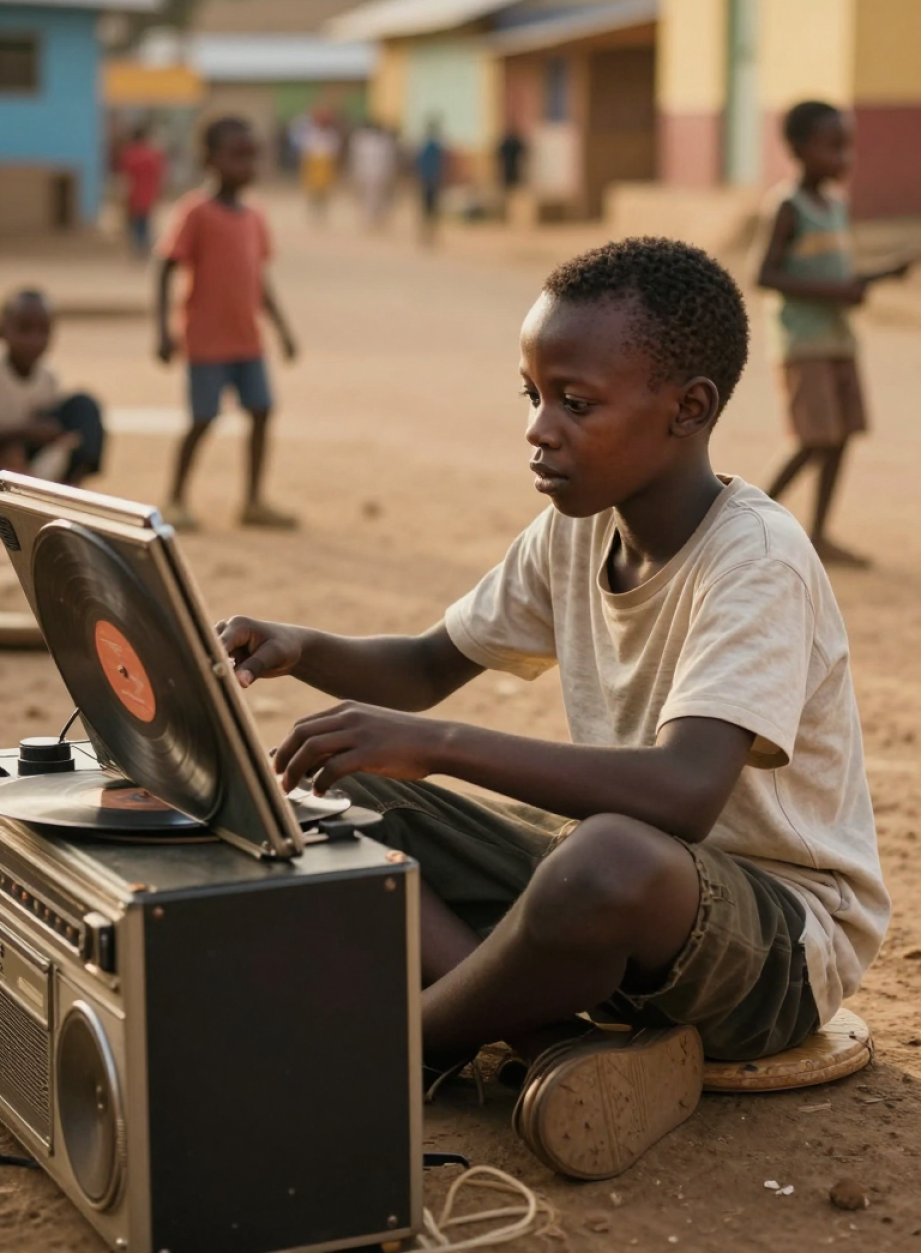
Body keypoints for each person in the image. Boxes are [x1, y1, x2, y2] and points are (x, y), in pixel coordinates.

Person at [217, 237, 888, 1182]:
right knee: (332, 801)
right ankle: (554, 1046)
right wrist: (304, 649)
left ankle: (400, 1044)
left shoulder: (757, 562)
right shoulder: (575, 534)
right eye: (531, 397)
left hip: (777, 944)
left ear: (688, 409)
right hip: (626, 883)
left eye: (575, 404)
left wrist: (440, 745)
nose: (540, 429)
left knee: (601, 859)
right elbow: (420, 667)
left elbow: (685, 792)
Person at [757, 100, 915, 567]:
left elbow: (837, 275)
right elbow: (764, 274)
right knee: (811, 439)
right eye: (834, 147)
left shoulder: (836, 206)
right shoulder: (788, 206)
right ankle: (740, 522)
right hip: (802, 343)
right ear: (800, 149)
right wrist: (836, 291)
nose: (845, 158)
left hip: (838, 340)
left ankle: (819, 534)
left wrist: (882, 274)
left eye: (849, 147)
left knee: (840, 434)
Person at [156, 116, 299, 533]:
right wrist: (163, 330)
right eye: (237, 156)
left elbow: (259, 279)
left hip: (247, 339)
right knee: (202, 419)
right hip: (206, 341)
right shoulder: (196, 212)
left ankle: (253, 501)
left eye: (251, 156)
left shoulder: (255, 215)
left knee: (262, 410)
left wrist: (284, 329)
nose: (247, 165)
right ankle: (176, 497)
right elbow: (165, 266)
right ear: (210, 160)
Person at [0, 290, 105, 486]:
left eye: (43, 331)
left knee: (84, 406)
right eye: (24, 329)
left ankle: (71, 489)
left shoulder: (48, 378)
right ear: (3, 330)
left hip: (27, 461)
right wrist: (26, 431)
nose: (34, 340)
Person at [118, 123, 166, 258]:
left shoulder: (130, 154)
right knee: (145, 221)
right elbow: (159, 175)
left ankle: (137, 248)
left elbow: (126, 177)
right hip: (149, 194)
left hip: (134, 194)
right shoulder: (152, 154)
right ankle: (144, 247)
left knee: (136, 222)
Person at [292, 108, 341, 220]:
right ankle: (312, 213)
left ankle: (322, 213)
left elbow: (335, 152)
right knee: (312, 191)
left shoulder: (331, 134)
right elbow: (304, 150)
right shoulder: (310, 132)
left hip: (325, 165)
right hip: (312, 165)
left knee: (324, 192)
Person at [348, 119, 397, 228]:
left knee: (377, 197)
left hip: (378, 173)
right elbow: (357, 158)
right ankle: (369, 217)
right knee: (368, 197)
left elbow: (388, 160)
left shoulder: (384, 142)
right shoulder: (363, 141)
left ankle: (375, 217)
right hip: (367, 172)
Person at [415, 118, 447, 243]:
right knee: (428, 209)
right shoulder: (428, 147)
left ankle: (430, 235)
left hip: (432, 181)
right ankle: (427, 235)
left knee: (431, 210)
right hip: (428, 181)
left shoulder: (433, 147)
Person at [495, 126, 528, 219]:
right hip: (507, 170)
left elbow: (523, 151)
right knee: (507, 189)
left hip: (514, 169)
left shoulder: (514, 142)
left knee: (514, 190)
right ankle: (506, 213)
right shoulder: (506, 142)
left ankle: (515, 213)